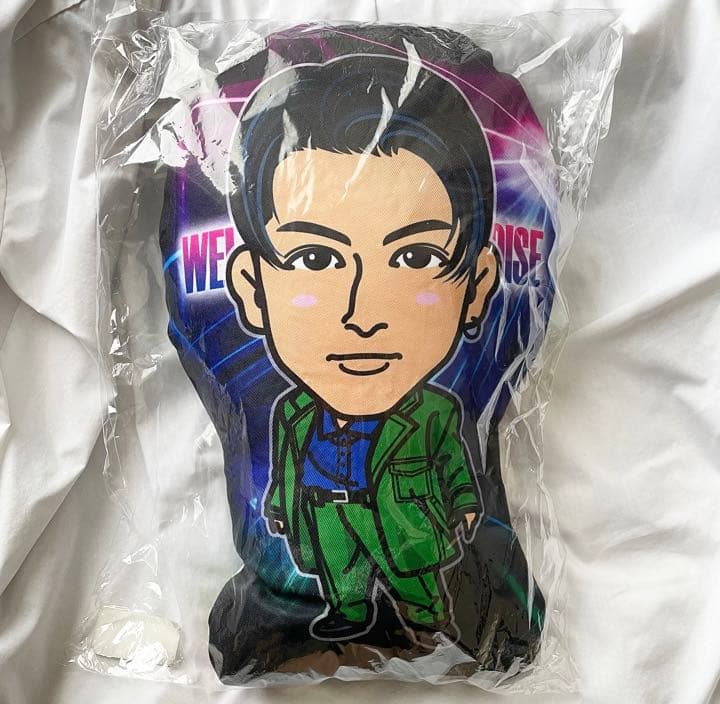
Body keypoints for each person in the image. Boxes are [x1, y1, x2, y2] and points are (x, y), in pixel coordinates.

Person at [225, 51, 498, 646]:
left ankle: (426, 612)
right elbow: (286, 466)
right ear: (252, 289)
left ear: (476, 288)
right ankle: (347, 612)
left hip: (402, 519)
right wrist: (280, 508)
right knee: (340, 573)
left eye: (416, 257)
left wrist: (463, 501)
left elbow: (454, 460)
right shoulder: (294, 414)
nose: (363, 315)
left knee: (413, 575)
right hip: (327, 511)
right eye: (314, 258)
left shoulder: (435, 412)